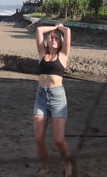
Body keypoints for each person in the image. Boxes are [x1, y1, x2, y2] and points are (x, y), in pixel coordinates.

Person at [34, 23, 72, 176]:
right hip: (41, 97)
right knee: (38, 139)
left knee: (58, 139)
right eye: (51, 38)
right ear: (47, 41)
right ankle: (45, 166)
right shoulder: (42, 53)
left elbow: (68, 31)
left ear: (61, 42)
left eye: (57, 38)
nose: (54, 39)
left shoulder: (63, 55)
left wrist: (61, 28)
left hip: (57, 99)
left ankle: (68, 164)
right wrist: (54, 27)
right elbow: (38, 30)